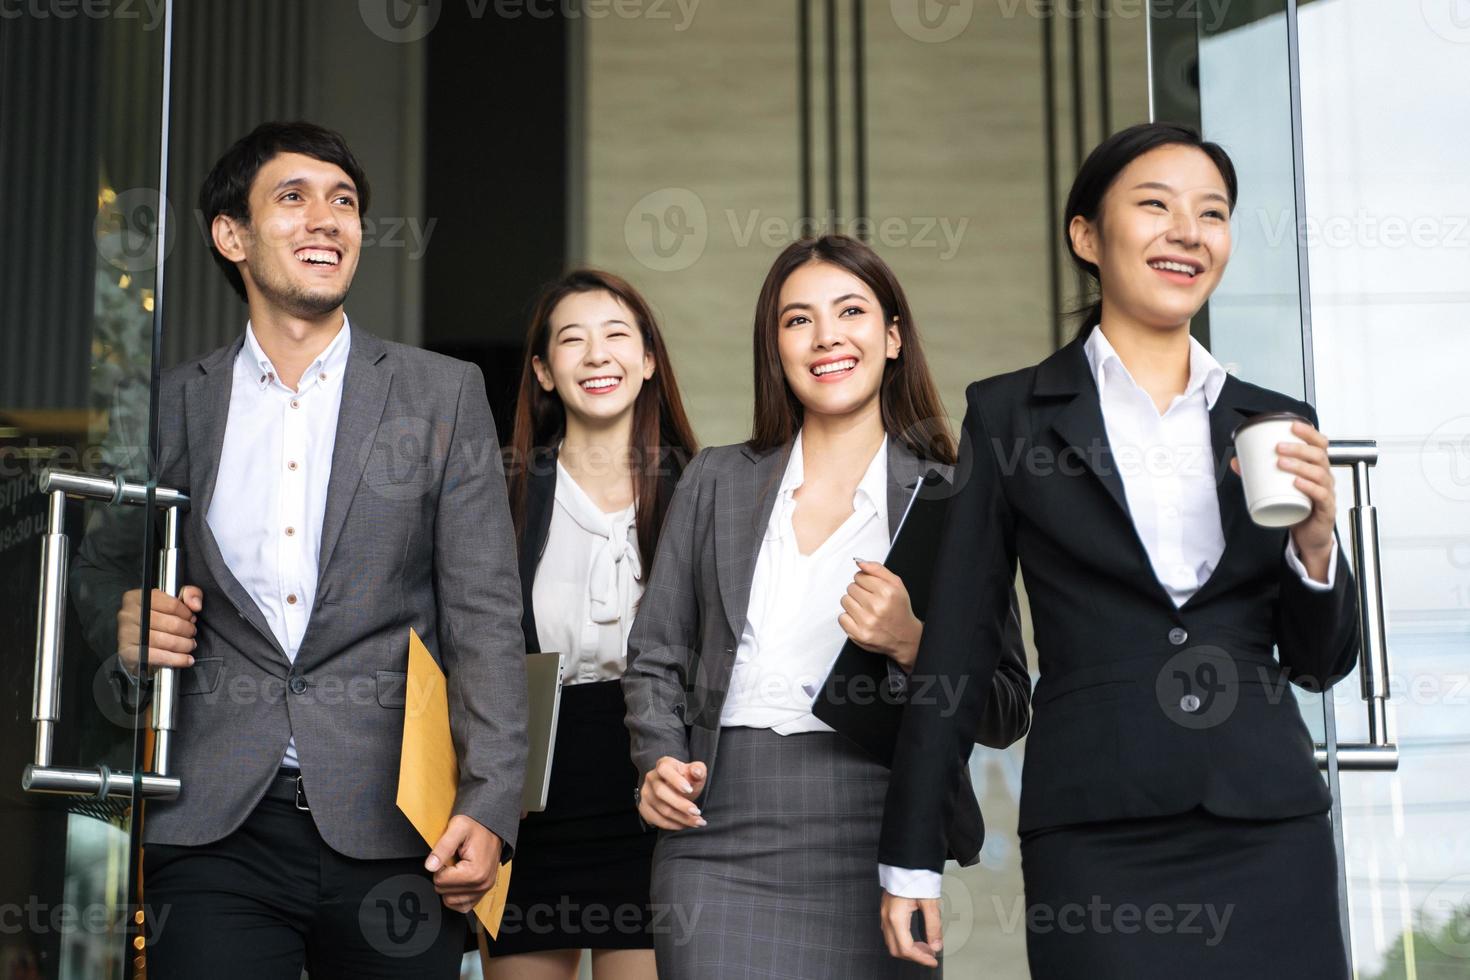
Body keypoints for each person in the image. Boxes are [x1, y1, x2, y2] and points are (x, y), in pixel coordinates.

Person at [877, 122, 1358, 978]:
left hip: (1268, 823)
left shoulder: (1274, 421)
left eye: (1212, 214)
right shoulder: (1010, 415)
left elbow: (1319, 664)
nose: (1188, 232)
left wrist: (1316, 545)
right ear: (1087, 236)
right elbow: (957, 642)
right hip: (1097, 833)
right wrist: (910, 857)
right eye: (1155, 205)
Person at [70, 120, 527, 979]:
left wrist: (491, 800)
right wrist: (122, 621)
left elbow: (485, 616)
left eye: (344, 202)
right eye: (294, 198)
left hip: (398, 825)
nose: (327, 220)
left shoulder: (442, 394)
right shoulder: (174, 405)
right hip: (213, 827)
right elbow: (101, 567)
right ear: (231, 237)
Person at [622, 234, 1033, 978]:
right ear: (774, 346)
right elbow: (654, 655)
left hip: (884, 828)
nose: (827, 337)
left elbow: (1007, 708)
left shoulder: (950, 497)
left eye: (851, 311)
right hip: (719, 832)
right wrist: (657, 757)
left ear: (894, 336)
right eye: (798, 319)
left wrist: (914, 642)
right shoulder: (716, 480)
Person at [483, 269, 697, 979]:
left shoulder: (702, 489)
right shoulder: (499, 491)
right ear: (544, 371)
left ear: (648, 360)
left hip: (657, 792)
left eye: (617, 337)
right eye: (572, 341)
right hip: (529, 796)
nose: (597, 355)